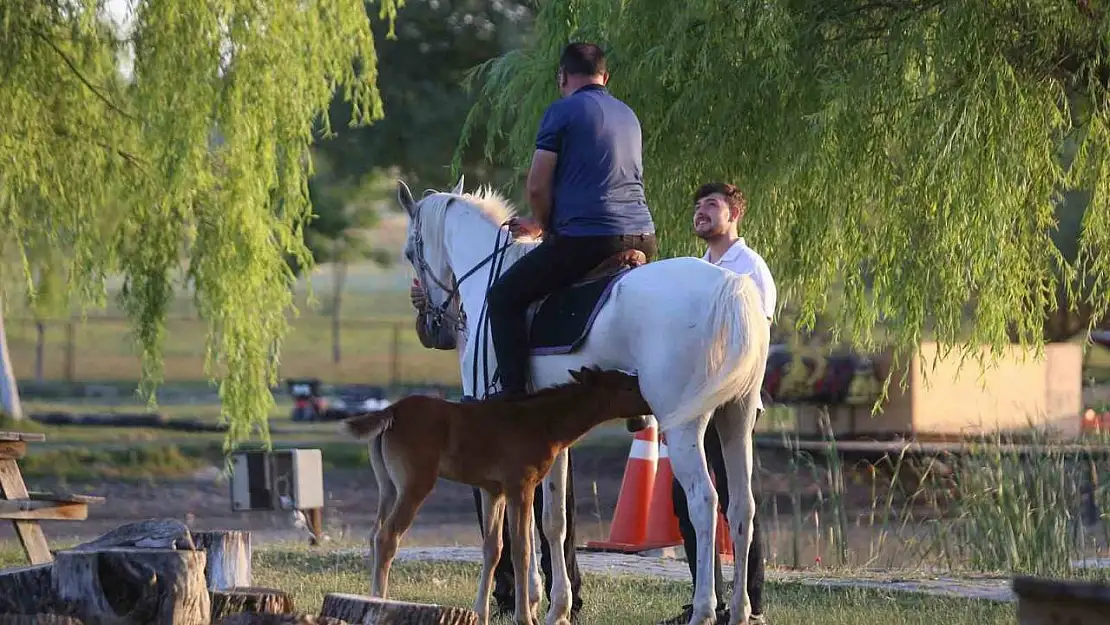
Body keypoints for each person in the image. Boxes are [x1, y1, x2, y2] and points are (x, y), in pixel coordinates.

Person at [485, 41, 658, 400]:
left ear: (561, 76)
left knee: (503, 297)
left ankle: (514, 400)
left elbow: (536, 185)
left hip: (590, 240)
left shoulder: (562, 112)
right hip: (643, 236)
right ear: (605, 77)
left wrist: (541, 224)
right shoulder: (628, 114)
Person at [658, 182, 775, 625]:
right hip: (695, 401)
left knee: (738, 494)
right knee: (685, 494)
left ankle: (753, 605)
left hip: (731, 401)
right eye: (698, 206)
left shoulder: (750, 269)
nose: (700, 212)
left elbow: (754, 342)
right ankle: (706, 597)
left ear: (735, 214)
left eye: (711, 205)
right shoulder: (697, 269)